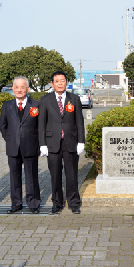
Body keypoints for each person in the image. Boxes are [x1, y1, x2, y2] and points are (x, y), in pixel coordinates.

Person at [38, 71, 85, 215]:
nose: (60, 83)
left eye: (62, 80)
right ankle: (57, 203)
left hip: (70, 142)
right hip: (52, 143)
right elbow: (41, 124)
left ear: (66, 82)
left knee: (72, 175)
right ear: (52, 84)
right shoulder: (45, 100)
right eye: (56, 81)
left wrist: (81, 141)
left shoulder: (74, 99)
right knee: (55, 175)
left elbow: (80, 122)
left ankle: (74, 203)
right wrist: (42, 144)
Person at [0, 76, 41, 214]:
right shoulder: (7, 105)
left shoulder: (36, 105)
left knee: (31, 177)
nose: (19, 90)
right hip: (13, 147)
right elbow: (3, 126)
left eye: (22, 87)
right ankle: (16, 203)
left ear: (27, 89)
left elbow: (40, 126)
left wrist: (40, 144)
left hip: (31, 146)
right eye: (16, 87)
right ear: (12, 89)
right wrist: (10, 139)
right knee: (14, 177)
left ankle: (33, 203)